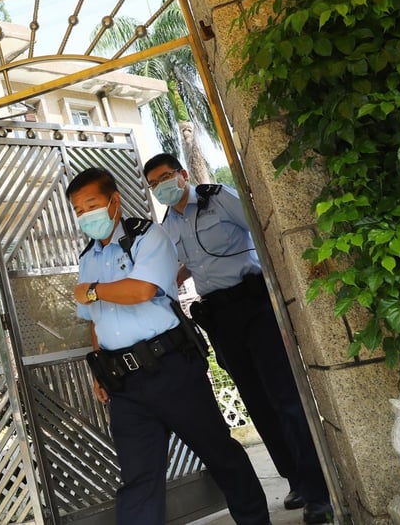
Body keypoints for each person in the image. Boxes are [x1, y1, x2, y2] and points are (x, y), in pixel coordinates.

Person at [67, 167, 271, 525]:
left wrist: (94, 290)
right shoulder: (87, 259)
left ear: (114, 201)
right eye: (79, 210)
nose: (86, 216)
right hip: (124, 384)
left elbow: (143, 290)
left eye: (92, 205)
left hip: (171, 369)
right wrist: (99, 367)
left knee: (219, 453)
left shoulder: (149, 237)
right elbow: (94, 321)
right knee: (138, 481)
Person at [142, 153, 334, 524]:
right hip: (219, 315)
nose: (160, 187)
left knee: (285, 397)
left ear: (182, 175)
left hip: (255, 304)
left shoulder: (218, 197)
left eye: (165, 177)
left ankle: (318, 491)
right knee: (256, 401)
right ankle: (294, 479)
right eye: (153, 184)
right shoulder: (168, 226)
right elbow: (184, 267)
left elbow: (262, 232)